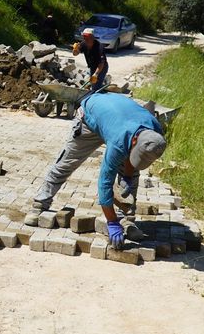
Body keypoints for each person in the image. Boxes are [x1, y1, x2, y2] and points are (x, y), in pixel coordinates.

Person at [32, 93, 167, 249]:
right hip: (90, 118)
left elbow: (134, 154)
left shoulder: (156, 133)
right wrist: (111, 222)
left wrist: (128, 178)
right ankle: (40, 204)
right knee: (67, 162)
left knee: (132, 175)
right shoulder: (119, 141)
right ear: (135, 140)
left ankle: (127, 219)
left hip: (118, 120)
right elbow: (105, 183)